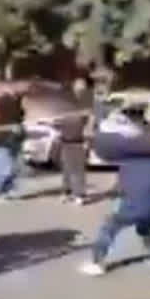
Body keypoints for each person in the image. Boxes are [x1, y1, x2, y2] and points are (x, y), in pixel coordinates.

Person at [78, 107, 150, 276]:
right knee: (145, 228)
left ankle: (97, 262)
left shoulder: (132, 151)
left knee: (111, 225)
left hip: (137, 204)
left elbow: (126, 181)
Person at [57, 76, 93, 205]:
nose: (80, 91)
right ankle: (69, 193)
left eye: (82, 88)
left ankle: (77, 194)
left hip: (77, 140)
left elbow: (89, 123)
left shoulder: (86, 103)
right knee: (69, 168)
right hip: (66, 139)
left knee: (76, 169)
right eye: (78, 88)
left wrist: (88, 141)